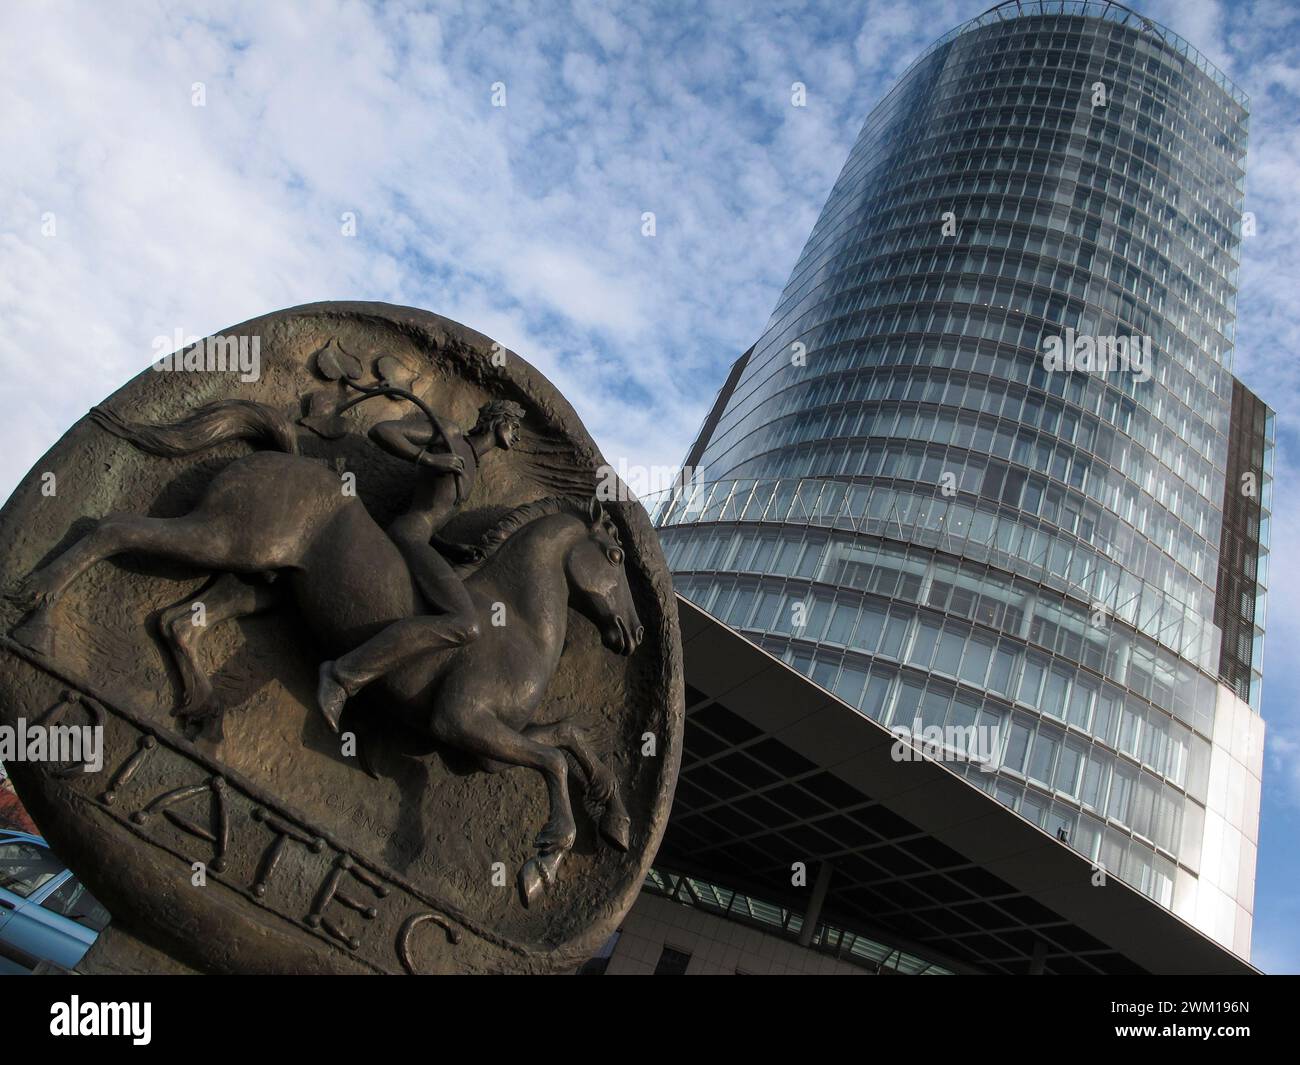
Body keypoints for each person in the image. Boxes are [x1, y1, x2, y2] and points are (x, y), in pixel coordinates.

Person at [315, 397, 525, 732]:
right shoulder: (450, 433)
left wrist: (449, 547)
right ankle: (342, 675)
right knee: (465, 623)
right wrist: (428, 458)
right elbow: (382, 431)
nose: (516, 436)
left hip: (423, 539)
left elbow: (433, 515)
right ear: (499, 421)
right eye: (514, 426)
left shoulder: (473, 463)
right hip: (409, 535)